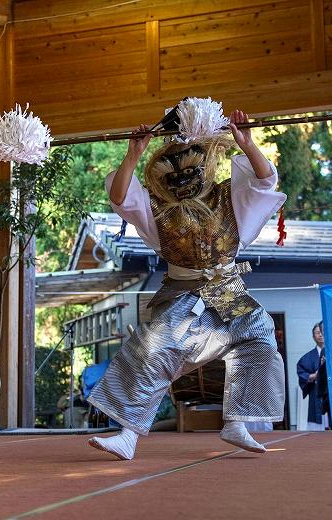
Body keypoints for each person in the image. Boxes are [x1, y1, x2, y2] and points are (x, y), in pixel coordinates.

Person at [87, 99, 286, 460]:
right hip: (183, 293)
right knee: (154, 347)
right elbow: (119, 196)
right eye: (173, 169)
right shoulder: (155, 207)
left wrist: (247, 144)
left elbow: (265, 181)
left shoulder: (228, 196)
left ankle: (237, 422)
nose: (182, 177)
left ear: (204, 162)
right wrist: (134, 153)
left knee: (259, 336)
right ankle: (128, 434)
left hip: (228, 291)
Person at [297, 322, 329, 431]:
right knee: (317, 431)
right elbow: (302, 374)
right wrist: (313, 376)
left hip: (330, 395)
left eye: (322, 332)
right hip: (316, 395)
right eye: (317, 332)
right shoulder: (306, 358)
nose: (320, 335)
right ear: (313, 336)